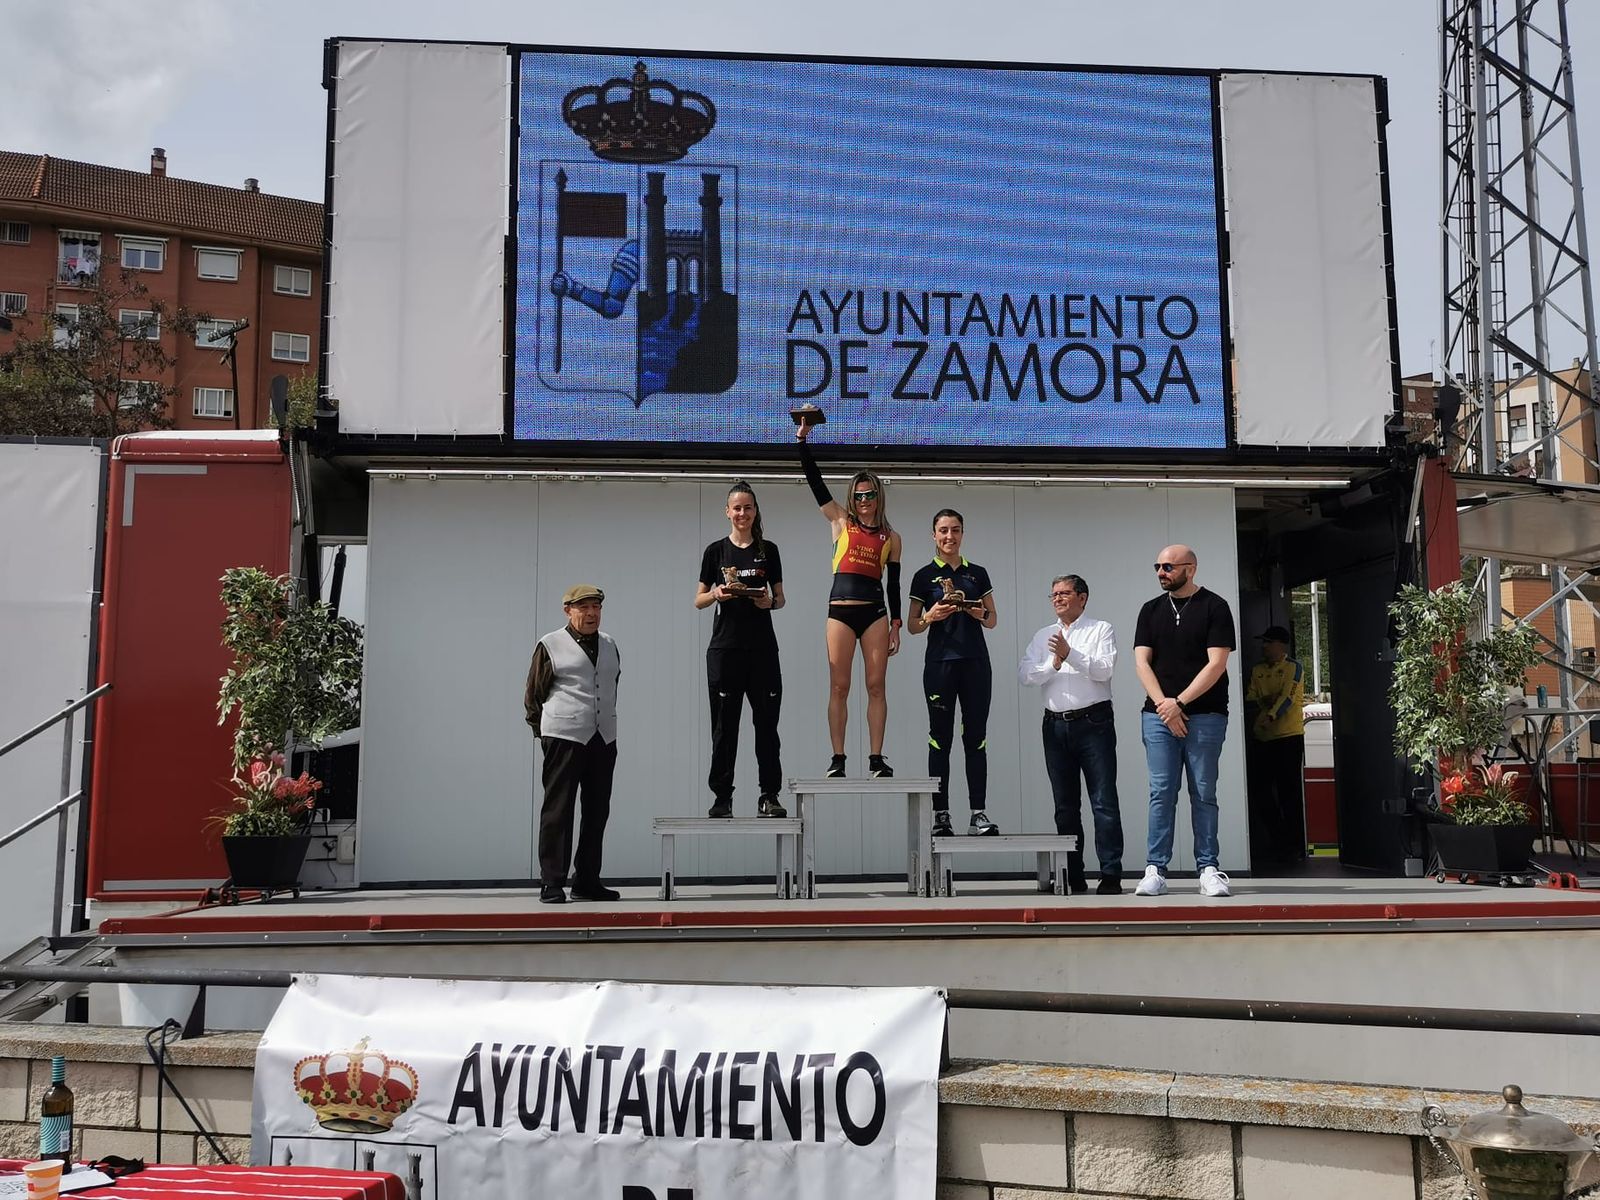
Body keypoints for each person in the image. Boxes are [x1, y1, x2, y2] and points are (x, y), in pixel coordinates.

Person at [796, 419, 902, 778]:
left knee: (876, 686)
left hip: (875, 614)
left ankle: (876, 757)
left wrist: (896, 625)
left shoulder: (891, 537)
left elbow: (894, 585)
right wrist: (802, 443)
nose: (864, 501)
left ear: (879, 497)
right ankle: (838, 757)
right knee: (839, 685)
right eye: (858, 496)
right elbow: (816, 485)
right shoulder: (841, 522)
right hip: (840, 611)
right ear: (851, 499)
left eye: (869, 495)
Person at [1131, 545, 1237, 898]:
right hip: (1158, 716)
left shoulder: (1215, 606)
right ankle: (1155, 870)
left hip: (1206, 715)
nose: (1161, 572)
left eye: (1168, 566)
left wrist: (1179, 703)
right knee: (1161, 792)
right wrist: (1166, 707)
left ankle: (1208, 869)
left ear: (1190, 569)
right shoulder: (1150, 610)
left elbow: (1216, 663)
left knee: (1203, 791)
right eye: (1157, 566)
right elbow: (1142, 663)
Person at [1019, 574, 1124, 894]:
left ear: (1082, 597)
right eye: (1053, 594)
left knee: (1103, 800)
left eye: (1064, 593)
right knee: (1065, 805)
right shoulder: (1043, 635)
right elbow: (1025, 675)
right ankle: (1072, 874)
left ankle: (1110, 874)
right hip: (1054, 725)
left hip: (1094, 722)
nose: (1057, 599)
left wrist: (1071, 654)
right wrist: (1053, 664)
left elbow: (1104, 670)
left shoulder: (1100, 629)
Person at [523, 584, 622, 905]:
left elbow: (610, 685)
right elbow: (534, 695)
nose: (592, 613)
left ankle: (587, 881)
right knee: (558, 810)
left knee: (597, 811)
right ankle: (552, 882)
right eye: (584, 607)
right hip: (563, 737)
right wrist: (545, 734)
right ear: (568, 610)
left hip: (603, 737)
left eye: (596, 607)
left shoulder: (610, 644)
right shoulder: (550, 644)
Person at [694, 481, 787, 818]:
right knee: (724, 727)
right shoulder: (715, 551)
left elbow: (780, 598)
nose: (742, 513)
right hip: (725, 650)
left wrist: (768, 601)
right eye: (737, 508)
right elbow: (698, 599)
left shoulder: (768, 550)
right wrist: (717, 594)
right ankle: (722, 797)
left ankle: (769, 795)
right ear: (727, 512)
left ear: (755, 511)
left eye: (748, 508)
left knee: (767, 726)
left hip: (762, 650)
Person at [907, 509, 999, 836]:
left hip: (975, 663)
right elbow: (913, 625)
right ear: (934, 535)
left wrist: (978, 613)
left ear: (962, 534)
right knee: (939, 739)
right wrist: (930, 616)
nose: (950, 536)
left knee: (976, 738)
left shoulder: (977, 573)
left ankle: (978, 814)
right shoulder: (923, 576)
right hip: (940, 664)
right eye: (943, 530)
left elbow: (992, 619)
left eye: (955, 530)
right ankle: (941, 815)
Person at [1245, 624, 1307, 864]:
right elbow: (1251, 698)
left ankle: (1295, 846)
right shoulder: (1258, 670)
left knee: (1289, 793)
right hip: (1263, 738)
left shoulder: (1294, 667)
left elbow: (1287, 697)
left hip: (1288, 737)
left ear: (1281, 645)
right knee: (1261, 793)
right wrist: (1265, 702)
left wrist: (1271, 715)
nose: (1264, 647)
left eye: (1268, 642)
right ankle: (1278, 840)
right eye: (1263, 642)